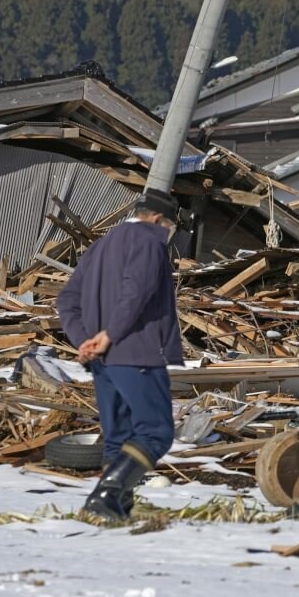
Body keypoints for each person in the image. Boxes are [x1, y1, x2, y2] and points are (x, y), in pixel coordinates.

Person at [57, 189, 184, 520]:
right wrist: (110, 334)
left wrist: (85, 339)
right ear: (158, 218)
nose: (169, 234)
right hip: (136, 352)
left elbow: (67, 298)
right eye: (170, 226)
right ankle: (107, 497)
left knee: (118, 439)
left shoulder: (101, 245)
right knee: (156, 431)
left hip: (103, 361)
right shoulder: (149, 241)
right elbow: (136, 291)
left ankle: (115, 509)